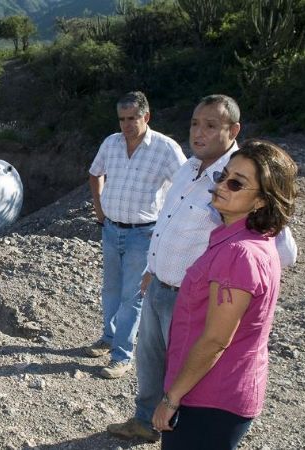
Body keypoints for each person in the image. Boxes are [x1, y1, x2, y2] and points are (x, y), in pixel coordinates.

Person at [106, 94, 297, 442]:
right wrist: (153, 267)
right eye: (195, 123)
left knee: (186, 373)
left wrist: (227, 290)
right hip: (159, 284)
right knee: (151, 364)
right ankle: (146, 422)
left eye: (211, 125)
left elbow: (280, 251)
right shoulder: (189, 167)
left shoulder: (249, 180)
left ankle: (172, 422)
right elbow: (167, 220)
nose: (199, 132)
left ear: (233, 129)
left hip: (195, 302)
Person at [151, 139, 297, 449]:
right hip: (219, 393)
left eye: (236, 183)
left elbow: (216, 339)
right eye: (223, 176)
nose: (222, 185)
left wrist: (172, 397)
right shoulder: (249, 240)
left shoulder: (239, 254)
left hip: (209, 398)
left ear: (261, 201)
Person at [84, 91, 186, 379]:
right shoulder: (111, 143)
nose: (127, 124)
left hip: (144, 234)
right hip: (111, 228)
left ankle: (121, 356)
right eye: (122, 119)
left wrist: (169, 226)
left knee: (133, 295)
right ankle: (108, 337)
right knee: (111, 289)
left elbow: (185, 186)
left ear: (146, 116)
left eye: (132, 118)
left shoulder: (165, 149)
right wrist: (99, 209)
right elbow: (95, 173)